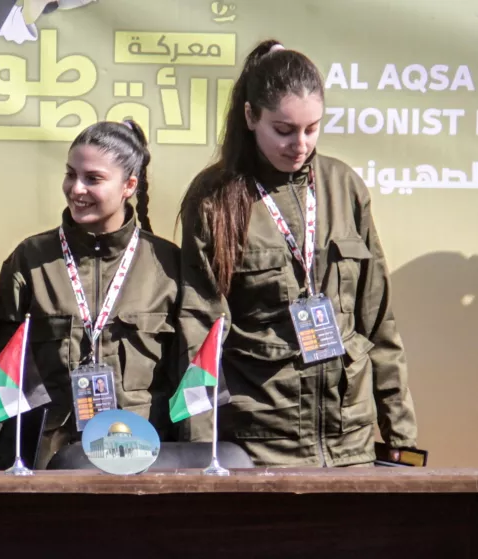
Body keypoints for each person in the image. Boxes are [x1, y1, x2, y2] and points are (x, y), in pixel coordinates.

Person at [177, 40, 417, 467]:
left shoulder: (344, 186)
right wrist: (202, 451)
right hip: (260, 443)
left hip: (350, 441)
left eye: (312, 128)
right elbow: (199, 332)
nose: (300, 144)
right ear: (251, 116)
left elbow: (378, 320)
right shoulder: (214, 197)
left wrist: (400, 435)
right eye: (284, 130)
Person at [0, 120, 181, 469]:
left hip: (144, 462)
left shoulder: (169, 266)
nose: (76, 189)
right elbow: (5, 382)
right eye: (70, 174)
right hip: (51, 466)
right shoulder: (30, 260)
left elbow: (188, 381)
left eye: (93, 178)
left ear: (128, 185)